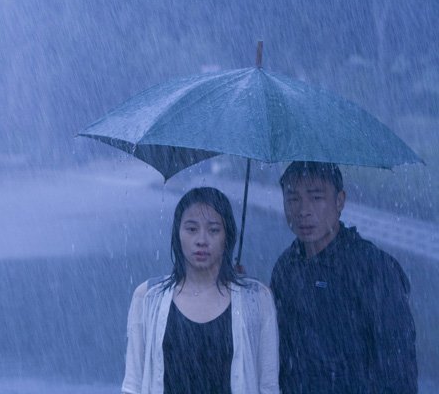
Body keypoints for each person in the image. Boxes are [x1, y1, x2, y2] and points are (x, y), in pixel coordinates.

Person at [270, 161, 417, 393]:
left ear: (340, 201)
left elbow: (398, 369)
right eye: (293, 199)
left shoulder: (373, 268)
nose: (303, 210)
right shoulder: (285, 267)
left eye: (316, 197)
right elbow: (274, 348)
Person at [122, 187, 279, 394]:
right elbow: (132, 385)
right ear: (177, 233)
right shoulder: (148, 297)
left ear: (227, 236)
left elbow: (268, 386)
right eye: (191, 229)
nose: (201, 240)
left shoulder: (256, 298)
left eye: (213, 230)